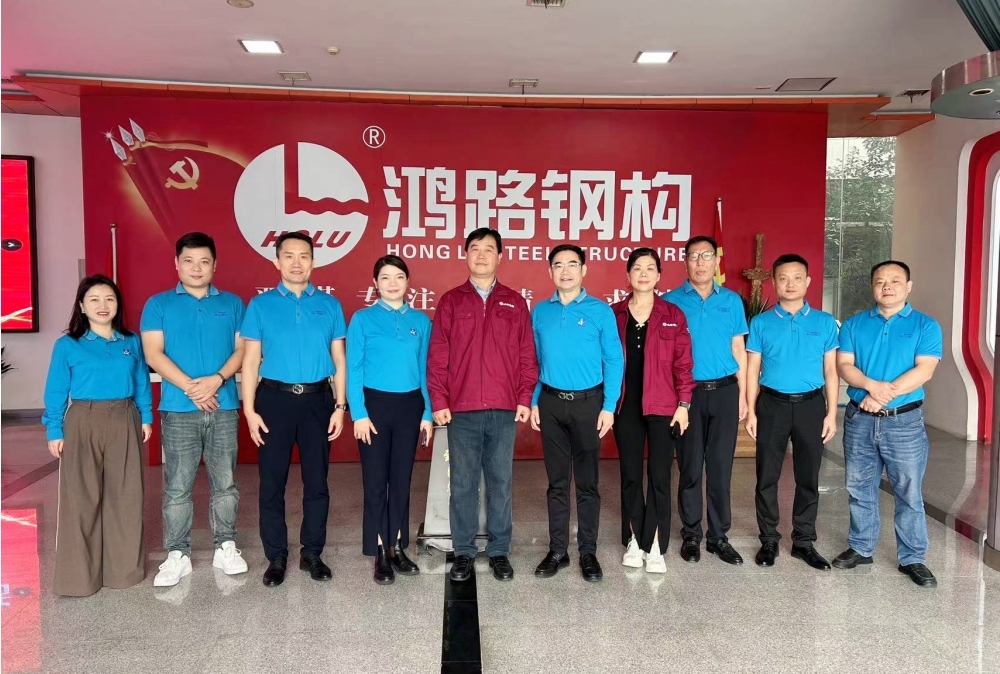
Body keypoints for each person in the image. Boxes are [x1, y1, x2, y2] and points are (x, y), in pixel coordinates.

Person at [427, 228, 538, 583]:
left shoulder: (514, 302)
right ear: (466, 255)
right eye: (474, 249)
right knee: (463, 483)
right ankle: (463, 552)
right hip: (462, 408)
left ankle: (499, 551)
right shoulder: (451, 301)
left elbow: (526, 355)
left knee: (501, 482)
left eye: (488, 249)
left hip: (504, 408)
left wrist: (524, 397)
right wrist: (439, 400)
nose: (481, 255)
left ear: (499, 257)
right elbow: (438, 356)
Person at [240, 232, 348, 587]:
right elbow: (250, 361)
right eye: (289, 256)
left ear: (313, 261)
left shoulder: (330, 305)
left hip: (319, 400)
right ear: (277, 261)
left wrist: (340, 406)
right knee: (272, 481)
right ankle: (276, 555)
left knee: (317, 481)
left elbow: (339, 359)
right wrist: (250, 410)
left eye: (304, 256)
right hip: (274, 400)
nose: (297, 262)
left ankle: (312, 552)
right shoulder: (260, 305)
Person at [141, 232, 248, 587]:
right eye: (189, 261)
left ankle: (225, 545)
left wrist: (216, 380)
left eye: (204, 261)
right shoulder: (158, 304)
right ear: (177, 264)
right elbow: (153, 352)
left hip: (224, 405)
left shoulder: (233, 304)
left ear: (215, 265)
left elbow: (242, 350)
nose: (197, 268)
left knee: (226, 483)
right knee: (177, 486)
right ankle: (178, 554)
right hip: (178, 409)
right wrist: (192, 387)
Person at [832, 260, 942, 588]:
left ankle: (913, 557)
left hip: (903, 422)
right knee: (859, 487)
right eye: (880, 281)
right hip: (860, 420)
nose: (887, 286)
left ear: (908, 286)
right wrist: (871, 387)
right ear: (872, 287)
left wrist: (881, 396)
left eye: (895, 281)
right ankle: (861, 547)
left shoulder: (925, 325)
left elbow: (924, 370)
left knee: (908, 490)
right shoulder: (854, 325)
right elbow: (844, 365)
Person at [42, 274, 153, 596]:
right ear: (82, 306)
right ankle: (79, 579)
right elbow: (56, 389)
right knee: (81, 498)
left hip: (124, 417)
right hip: (83, 420)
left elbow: (142, 381)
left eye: (109, 299)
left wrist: (146, 417)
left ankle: (123, 572)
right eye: (94, 299)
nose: (102, 305)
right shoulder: (67, 345)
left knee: (126, 496)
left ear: (117, 304)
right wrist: (54, 428)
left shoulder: (130, 341)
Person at [530, 244, 625, 582]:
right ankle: (558, 550)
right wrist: (534, 400)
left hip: (589, 404)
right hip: (551, 403)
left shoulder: (600, 311)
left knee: (587, 483)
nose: (566, 271)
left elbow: (614, 359)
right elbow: (534, 360)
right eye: (558, 265)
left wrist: (609, 406)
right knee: (557, 482)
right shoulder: (540, 312)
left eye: (573, 264)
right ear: (550, 271)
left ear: (584, 270)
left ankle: (588, 551)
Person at [745, 254, 839, 570]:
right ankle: (769, 539)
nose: (790, 283)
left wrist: (831, 414)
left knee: (808, 476)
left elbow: (831, 370)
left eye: (797, 277)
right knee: (766, 477)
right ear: (774, 282)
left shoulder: (824, 322)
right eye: (783, 278)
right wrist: (751, 411)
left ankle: (804, 542)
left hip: (812, 405)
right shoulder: (761, 322)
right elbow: (752, 369)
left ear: (808, 282)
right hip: (772, 405)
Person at [347, 255, 434, 585]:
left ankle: (397, 546)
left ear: (408, 282)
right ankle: (380, 550)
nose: (392, 283)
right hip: (374, 406)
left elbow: (425, 370)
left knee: (401, 480)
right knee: (375, 481)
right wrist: (358, 413)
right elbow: (353, 369)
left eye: (399, 276)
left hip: (410, 406)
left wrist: (427, 413)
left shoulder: (421, 322)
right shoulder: (362, 319)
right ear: (375, 283)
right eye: (385, 277)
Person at [666, 235, 747, 566]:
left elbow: (738, 349)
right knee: (689, 467)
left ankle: (718, 537)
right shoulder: (670, 302)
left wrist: (744, 396)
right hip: (687, 395)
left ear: (716, 261)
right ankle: (691, 534)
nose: (700, 262)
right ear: (685, 261)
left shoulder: (732, 301)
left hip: (726, 391)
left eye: (707, 256)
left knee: (720, 467)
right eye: (694, 256)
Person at [612, 248, 693, 573]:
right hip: (626, 407)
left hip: (663, 406)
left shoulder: (673, 314)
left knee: (660, 476)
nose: (643, 274)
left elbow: (684, 364)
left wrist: (684, 404)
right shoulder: (615, 314)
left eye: (650, 268)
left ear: (659, 275)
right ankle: (634, 540)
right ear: (628, 275)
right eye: (637, 268)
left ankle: (655, 544)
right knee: (630, 475)